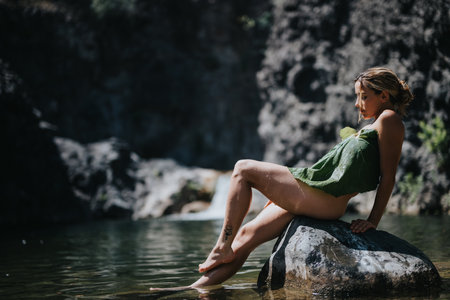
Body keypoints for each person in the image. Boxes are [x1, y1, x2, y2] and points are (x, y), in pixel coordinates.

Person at [152, 67, 414, 290]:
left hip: (324, 199)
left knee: (243, 169)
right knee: (246, 235)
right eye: (357, 96)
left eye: (364, 97)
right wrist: (282, 196)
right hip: (312, 194)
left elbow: (388, 177)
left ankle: (221, 246)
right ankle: (191, 290)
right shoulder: (374, 123)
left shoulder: (389, 120)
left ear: (384, 95)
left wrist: (372, 222)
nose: (358, 104)